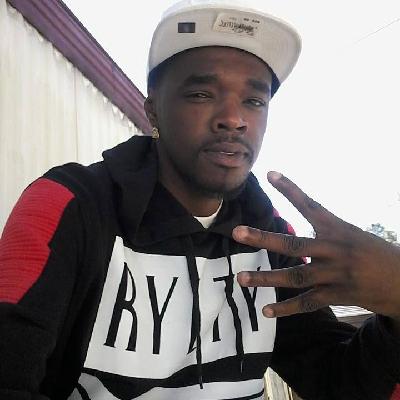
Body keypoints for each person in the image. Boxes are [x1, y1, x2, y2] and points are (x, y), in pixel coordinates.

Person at [0, 0, 399, 399]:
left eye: (254, 101)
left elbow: (341, 384)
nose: (234, 119)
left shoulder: (269, 235)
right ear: (153, 111)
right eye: (201, 94)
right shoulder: (71, 205)